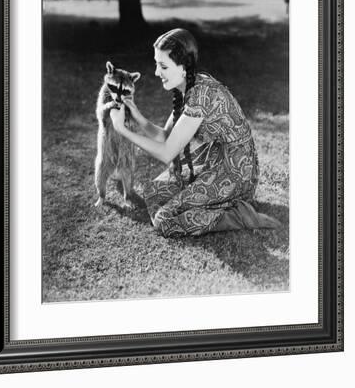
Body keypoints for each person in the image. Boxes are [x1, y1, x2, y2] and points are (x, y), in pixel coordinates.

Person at [109, 28, 281, 238]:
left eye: (163, 66)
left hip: (236, 173)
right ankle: (208, 205)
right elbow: (166, 137)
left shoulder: (201, 96)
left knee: (164, 221)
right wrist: (137, 115)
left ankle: (239, 214)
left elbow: (166, 153)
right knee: (152, 191)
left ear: (183, 68)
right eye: (156, 63)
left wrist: (121, 129)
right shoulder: (188, 85)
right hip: (216, 162)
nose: (156, 72)